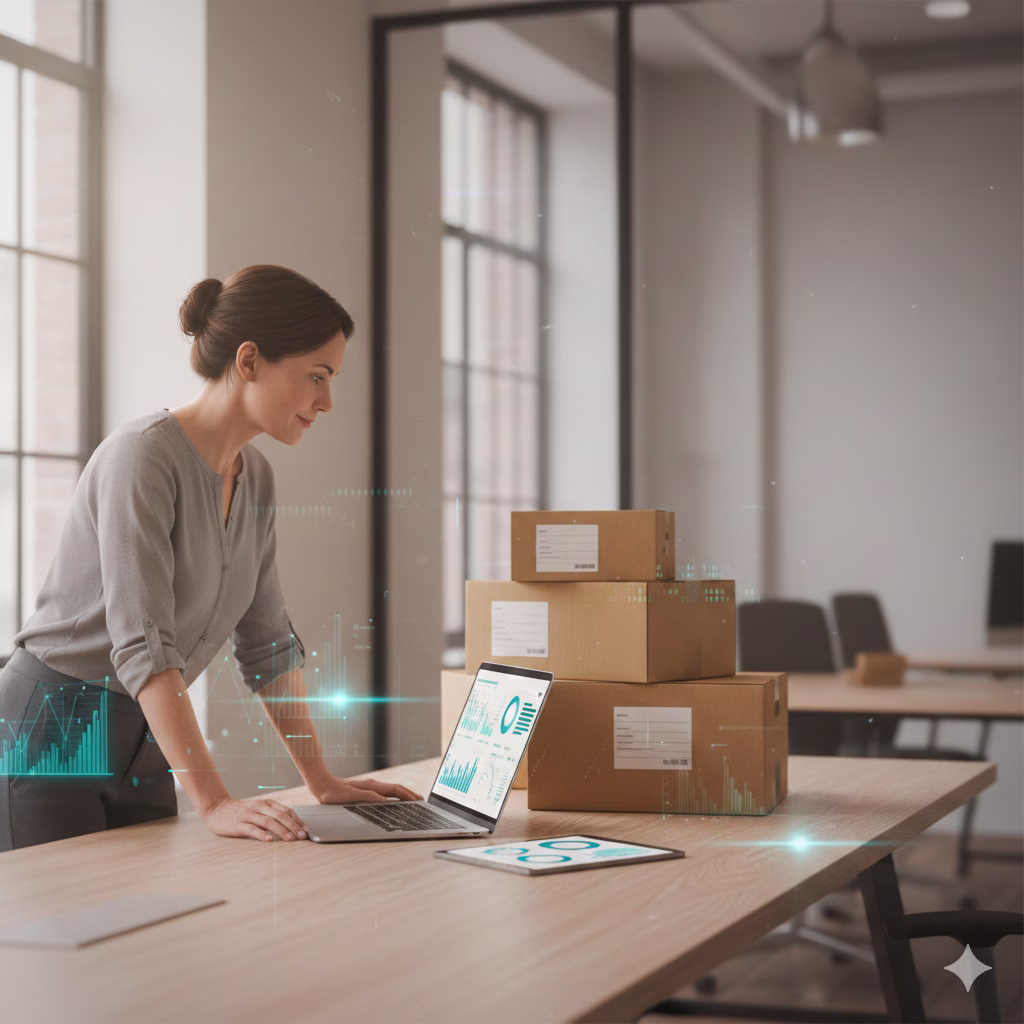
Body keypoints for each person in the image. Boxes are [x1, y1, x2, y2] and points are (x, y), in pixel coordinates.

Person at [0, 265, 421, 852]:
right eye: (317, 377)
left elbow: (268, 644)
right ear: (248, 362)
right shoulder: (140, 458)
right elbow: (142, 645)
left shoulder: (258, 479)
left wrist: (320, 782)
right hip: (54, 730)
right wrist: (214, 800)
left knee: (145, 933)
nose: (327, 401)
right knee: (55, 931)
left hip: (148, 738)